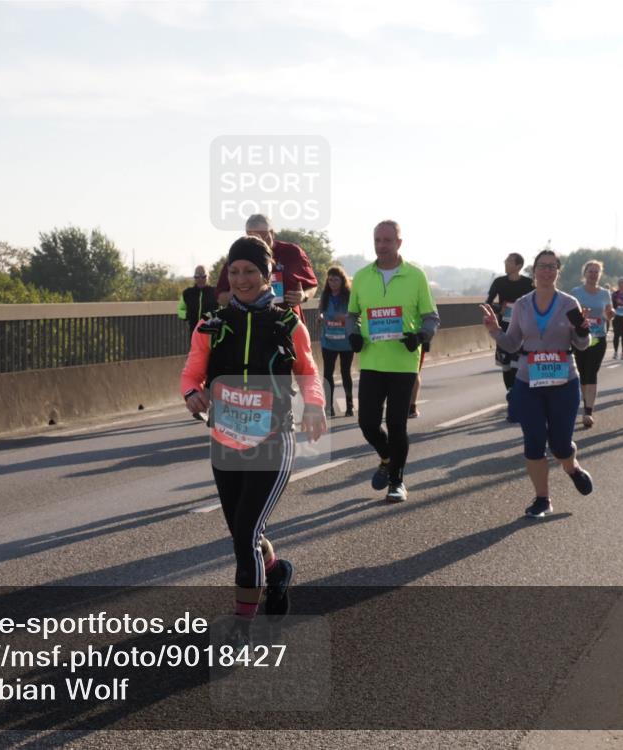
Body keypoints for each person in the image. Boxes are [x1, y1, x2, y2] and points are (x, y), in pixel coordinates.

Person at [180, 235, 326, 627]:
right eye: (234, 272)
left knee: (245, 535)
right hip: (226, 443)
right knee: (245, 535)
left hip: (273, 441)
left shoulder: (286, 322)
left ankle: (243, 627)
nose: (241, 279)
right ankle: (276, 573)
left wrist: (314, 406)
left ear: (266, 276)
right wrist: (192, 393)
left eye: (250, 272)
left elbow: (308, 372)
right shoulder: (212, 325)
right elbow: (192, 373)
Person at [480, 249, 594, 518]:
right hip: (528, 382)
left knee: (561, 445)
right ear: (534, 271)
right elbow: (512, 343)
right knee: (533, 442)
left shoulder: (569, 303)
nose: (547, 271)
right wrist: (495, 329)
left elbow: (582, 344)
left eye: (552, 266)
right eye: (542, 266)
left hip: (563, 382)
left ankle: (572, 467)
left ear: (558, 271)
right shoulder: (521, 304)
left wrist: (581, 330)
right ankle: (542, 499)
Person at [347, 220, 439, 503]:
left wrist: (421, 336)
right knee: (367, 423)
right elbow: (352, 315)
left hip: (403, 362)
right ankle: (387, 457)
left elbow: (431, 317)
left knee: (397, 424)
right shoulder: (362, 276)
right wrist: (353, 335)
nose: (382, 245)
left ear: (399, 243)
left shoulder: (416, 276)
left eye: (388, 240)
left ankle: (397, 481)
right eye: (377, 240)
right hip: (372, 360)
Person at [215, 214, 318, 320]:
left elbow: (312, 285)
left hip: (288, 323)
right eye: (252, 238)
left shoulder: (292, 252)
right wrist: (235, 294)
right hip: (249, 324)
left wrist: (303, 296)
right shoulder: (238, 258)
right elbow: (220, 297)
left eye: (261, 237)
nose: (259, 242)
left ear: (272, 233)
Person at [485, 253, 535, 421]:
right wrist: (500, 308)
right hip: (503, 330)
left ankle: (515, 402)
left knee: (517, 366)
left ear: (518, 265)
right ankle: (512, 394)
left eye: (509, 261)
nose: (505, 263)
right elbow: (488, 302)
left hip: (522, 331)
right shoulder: (499, 282)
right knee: (506, 366)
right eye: (505, 260)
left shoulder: (528, 284)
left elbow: (537, 303)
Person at [569, 260, 613, 428]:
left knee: (591, 372)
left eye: (596, 272)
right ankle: (584, 403)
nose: (593, 274)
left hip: (598, 337)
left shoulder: (605, 293)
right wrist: (581, 318)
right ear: (584, 273)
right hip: (580, 338)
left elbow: (608, 314)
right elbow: (569, 314)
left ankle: (588, 411)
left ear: (600, 274)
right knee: (581, 372)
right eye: (590, 271)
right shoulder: (576, 292)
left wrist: (611, 313)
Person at [319, 266, 355, 418]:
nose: (332, 282)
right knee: (327, 374)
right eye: (330, 279)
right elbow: (321, 311)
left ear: (342, 280)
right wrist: (320, 317)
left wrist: (345, 317)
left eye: (336, 279)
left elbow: (355, 314)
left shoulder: (349, 296)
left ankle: (349, 406)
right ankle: (328, 407)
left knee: (345, 373)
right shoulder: (325, 295)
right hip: (329, 341)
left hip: (346, 342)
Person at [177, 265, 217, 333]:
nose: (200, 279)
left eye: (203, 276)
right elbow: (180, 310)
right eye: (197, 276)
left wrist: (214, 315)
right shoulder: (187, 293)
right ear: (194, 278)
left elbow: (223, 309)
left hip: (212, 334)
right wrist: (187, 315)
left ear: (208, 276)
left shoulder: (216, 292)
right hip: (194, 333)